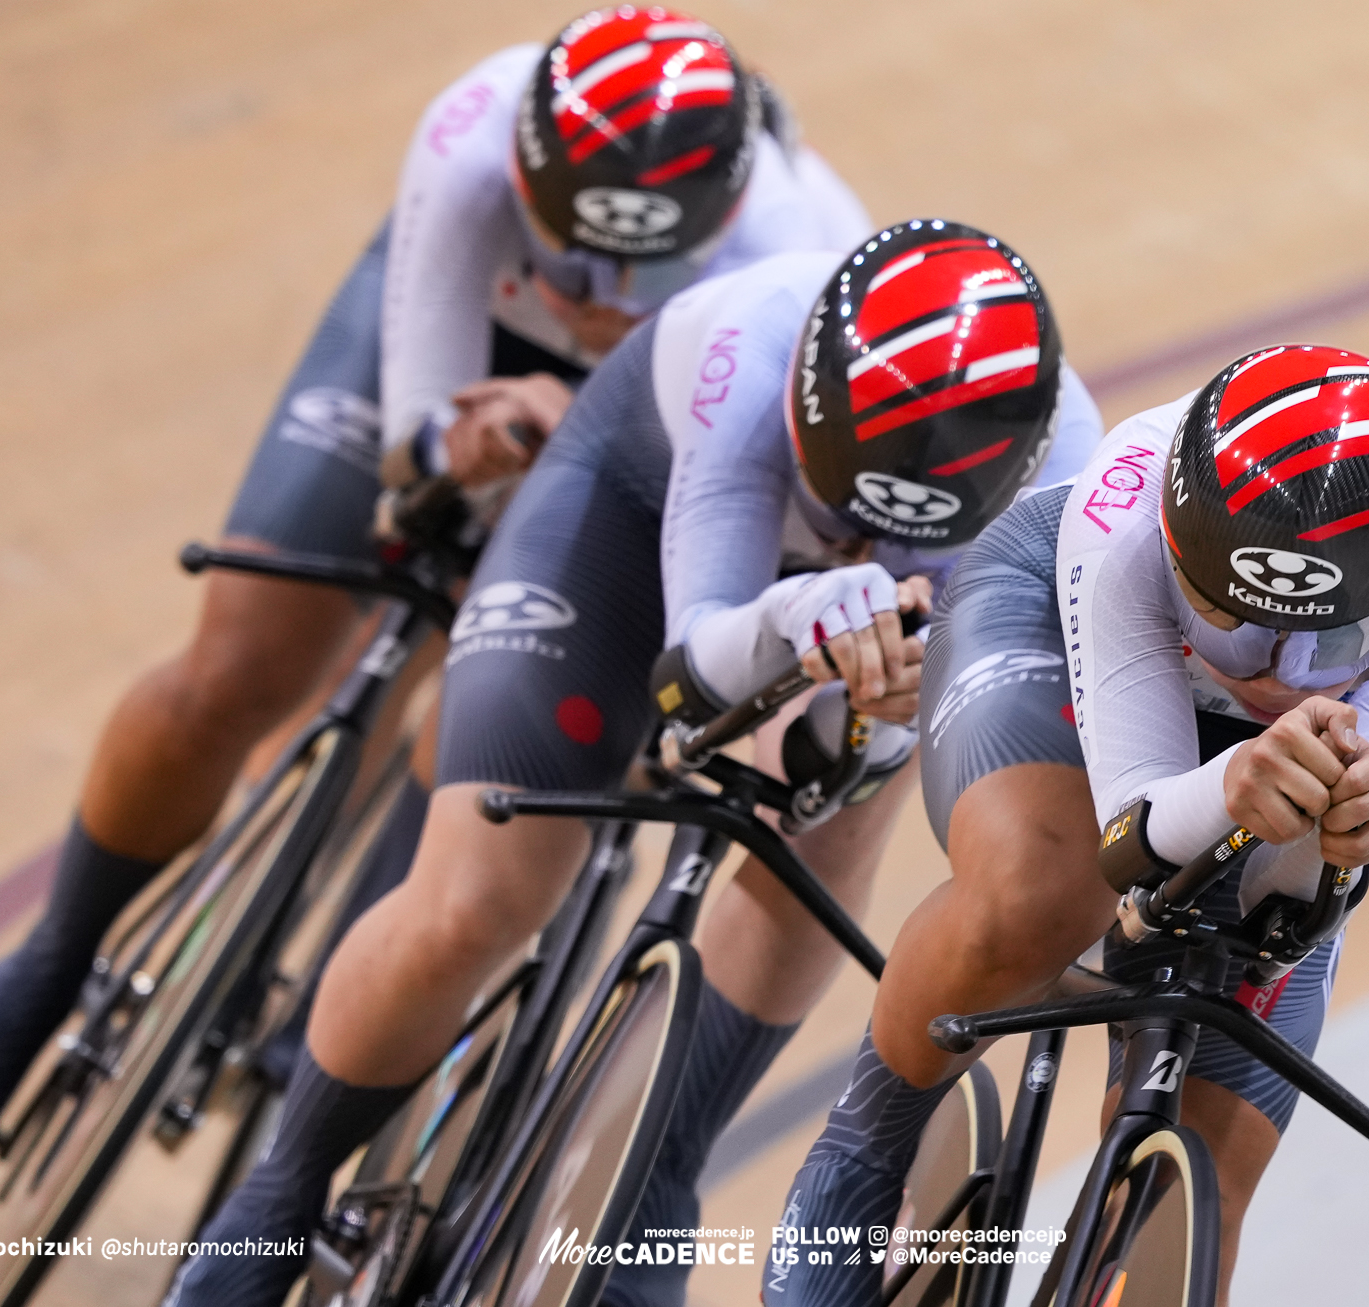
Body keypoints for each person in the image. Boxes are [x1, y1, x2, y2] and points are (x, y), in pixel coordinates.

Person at [0, 5, 872, 1150]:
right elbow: (409, 437)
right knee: (239, 664)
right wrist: (439, 452)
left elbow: (707, 543)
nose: (603, 288)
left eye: (646, 263)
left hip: (655, 426)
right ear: (523, 177)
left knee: (514, 705)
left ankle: (342, 1017)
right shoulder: (468, 143)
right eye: (573, 248)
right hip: (469, 352)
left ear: (714, 226)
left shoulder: (791, 258)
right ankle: (53, 956)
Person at [164, 219, 1105, 1306]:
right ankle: (279, 1190)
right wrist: (805, 610)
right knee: (475, 897)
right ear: (808, 390)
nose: (851, 525)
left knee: (840, 805)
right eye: (841, 488)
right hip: (628, 514)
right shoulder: (747, 350)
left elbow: (967, 720)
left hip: (881, 600)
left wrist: (892, 696)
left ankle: (658, 1162)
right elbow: (690, 668)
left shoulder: (1062, 478)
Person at [766, 343, 1369, 1306]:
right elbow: (1128, 836)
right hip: (1053, 621)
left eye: (1321, 639)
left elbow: (1303, 894)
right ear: (1177, 541)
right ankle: (861, 1151)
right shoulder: (1125, 507)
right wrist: (1231, 783)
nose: (1265, 665)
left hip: (1252, 759)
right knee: (1039, 893)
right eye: (1219, 605)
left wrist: (1359, 815)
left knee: (1204, 1169)